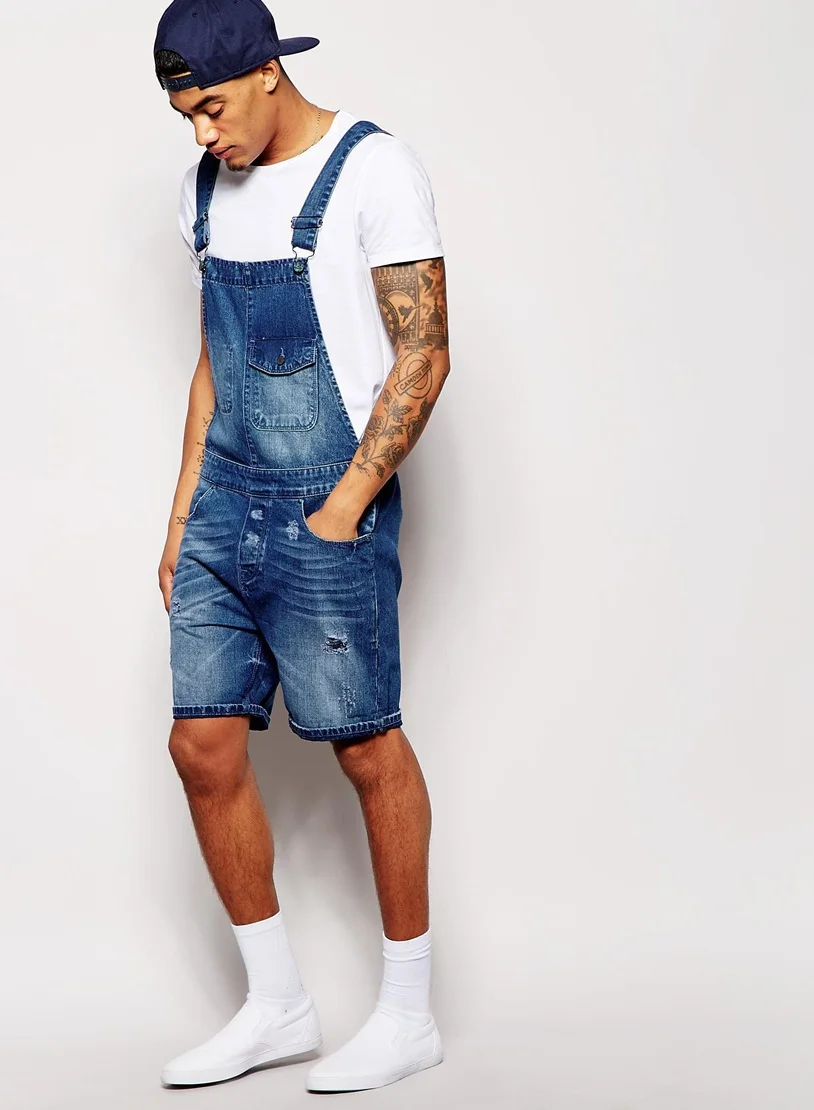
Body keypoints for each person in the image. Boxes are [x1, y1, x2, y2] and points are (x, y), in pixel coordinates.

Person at [152, 0, 450, 1094]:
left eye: (212, 107)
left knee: (367, 749)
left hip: (329, 501)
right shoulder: (203, 190)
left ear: (269, 73)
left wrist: (345, 505)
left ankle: (408, 1015)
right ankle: (276, 1006)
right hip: (221, 504)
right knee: (201, 748)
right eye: (187, 116)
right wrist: (181, 516)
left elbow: (425, 354)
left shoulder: (374, 169)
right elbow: (214, 360)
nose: (204, 133)